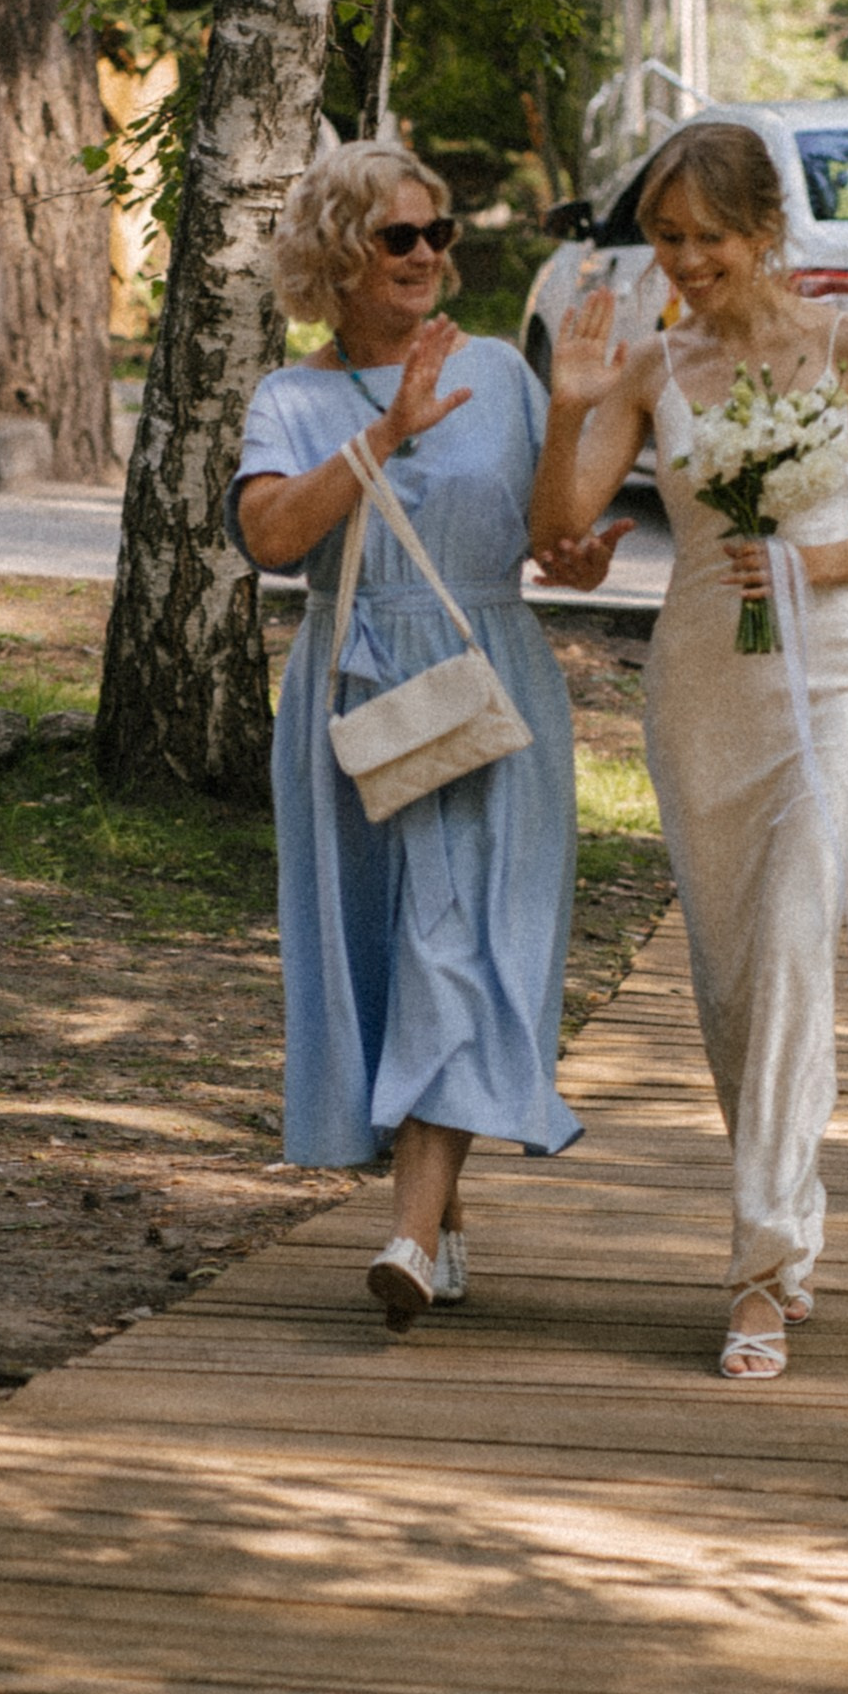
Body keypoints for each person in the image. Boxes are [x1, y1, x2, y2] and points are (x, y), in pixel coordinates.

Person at [530, 121, 848, 1380]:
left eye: (708, 237)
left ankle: (758, 1271)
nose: (686, 259)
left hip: (836, 673)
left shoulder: (844, 345)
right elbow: (559, 534)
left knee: (796, 922)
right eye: (664, 236)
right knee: (727, 978)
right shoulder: (651, 365)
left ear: (766, 233)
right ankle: (789, 1210)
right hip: (704, 682)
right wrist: (568, 409)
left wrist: (811, 560)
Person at [229, 141, 628, 1331]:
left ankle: (405, 1235)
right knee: (385, 952)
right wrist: (382, 435)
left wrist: (571, 456)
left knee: (456, 945)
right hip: (355, 690)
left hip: (488, 685)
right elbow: (269, 539)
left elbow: (549, 532)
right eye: (398, 237)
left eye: (437, 234)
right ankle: (437, 1212)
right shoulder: (291, 398)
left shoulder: (502, 370)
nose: (426, 256)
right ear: (338, 255)